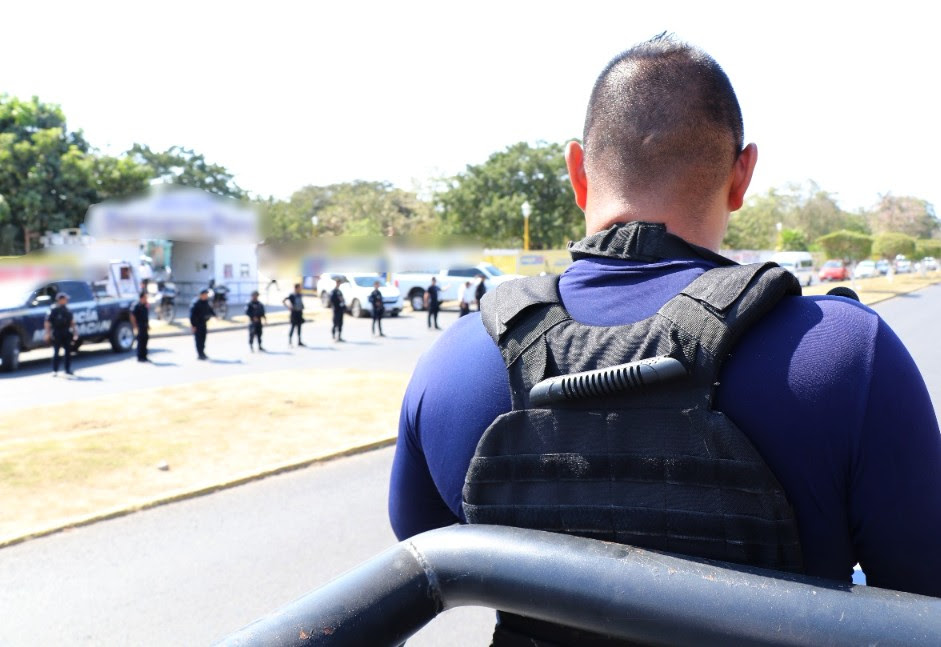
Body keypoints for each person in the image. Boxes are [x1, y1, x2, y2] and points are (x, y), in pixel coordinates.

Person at [389, 34, 941, 643]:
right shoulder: (845, 355)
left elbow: (420, 545)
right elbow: (923, 586)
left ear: (578, 171)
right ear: (743, 174)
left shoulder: (452, 364)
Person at [44, 292, 77, 376]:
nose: (66, 300)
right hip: (57, 332)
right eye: (65, 299)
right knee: (56, 352)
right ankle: (55, 370)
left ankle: (67, 370)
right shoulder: (53, 309)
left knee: (68, 352)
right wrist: (47, 333)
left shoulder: (67, 309)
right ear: (60, 300)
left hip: (66, 332)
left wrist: (75, 332)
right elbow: (47, 322)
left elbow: (72, 322)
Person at [189, 289, 215, 360]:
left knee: (203, 339)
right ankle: (200, 354)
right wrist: (193, 325)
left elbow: (210, 310)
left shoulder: (206, 302)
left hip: (204, 323)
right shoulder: (196, 303)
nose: (206, 296)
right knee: (198, 340)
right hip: (197, 324)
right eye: (205, 294)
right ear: (201, 295)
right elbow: (192, 316)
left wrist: (214, 315)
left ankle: (203, 353)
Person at [130, 291, 150, 362]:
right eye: (145, 297)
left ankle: (144, 356)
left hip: (145, 326)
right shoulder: (136, 305)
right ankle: (140, 357)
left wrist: (148, 325)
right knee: (140, 342)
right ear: (141, 298)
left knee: (145, 340)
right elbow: (132, 316)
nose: (146, 298)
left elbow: (146, 316)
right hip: (139, 326)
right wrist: (135, 326)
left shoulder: (145, 305)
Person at [283, 283, 305, 347]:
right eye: (299, 288)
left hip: (299, 313)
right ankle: (290, 341)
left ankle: (299, 341)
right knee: (292, 327)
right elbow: (284, 300)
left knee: (299, 328)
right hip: (294, 314)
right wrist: (289, 307)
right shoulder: (292, 295)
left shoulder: (300, 295)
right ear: (296, 288)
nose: (300, 289)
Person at [330, 277, 346, 342]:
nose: (338, 284)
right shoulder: (333, 291)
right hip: (336, 309)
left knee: (340, 323)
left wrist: (343, 302)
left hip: (340, 309)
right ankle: (333, 336)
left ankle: (339, 336)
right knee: (335, 323)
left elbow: (342, 299)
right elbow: (332, 300)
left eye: (339, 283)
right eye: (338, 283)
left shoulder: (340, 291)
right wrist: (338, 300)